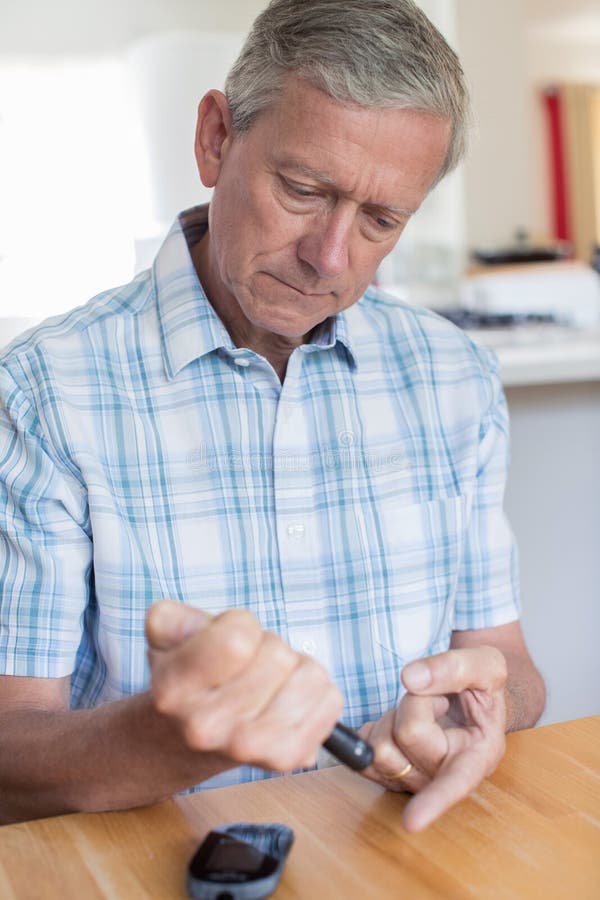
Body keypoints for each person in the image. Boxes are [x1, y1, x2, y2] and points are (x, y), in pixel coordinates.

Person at [0, 0, 545, 831]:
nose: (330, 257)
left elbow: (507, 662)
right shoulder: (45, 392)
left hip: (399, 851)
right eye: (303, 190)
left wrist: (479, 710)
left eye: (381, 220)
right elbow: (9, 748)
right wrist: (164, 742)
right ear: (215, 138)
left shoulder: (455, 376)